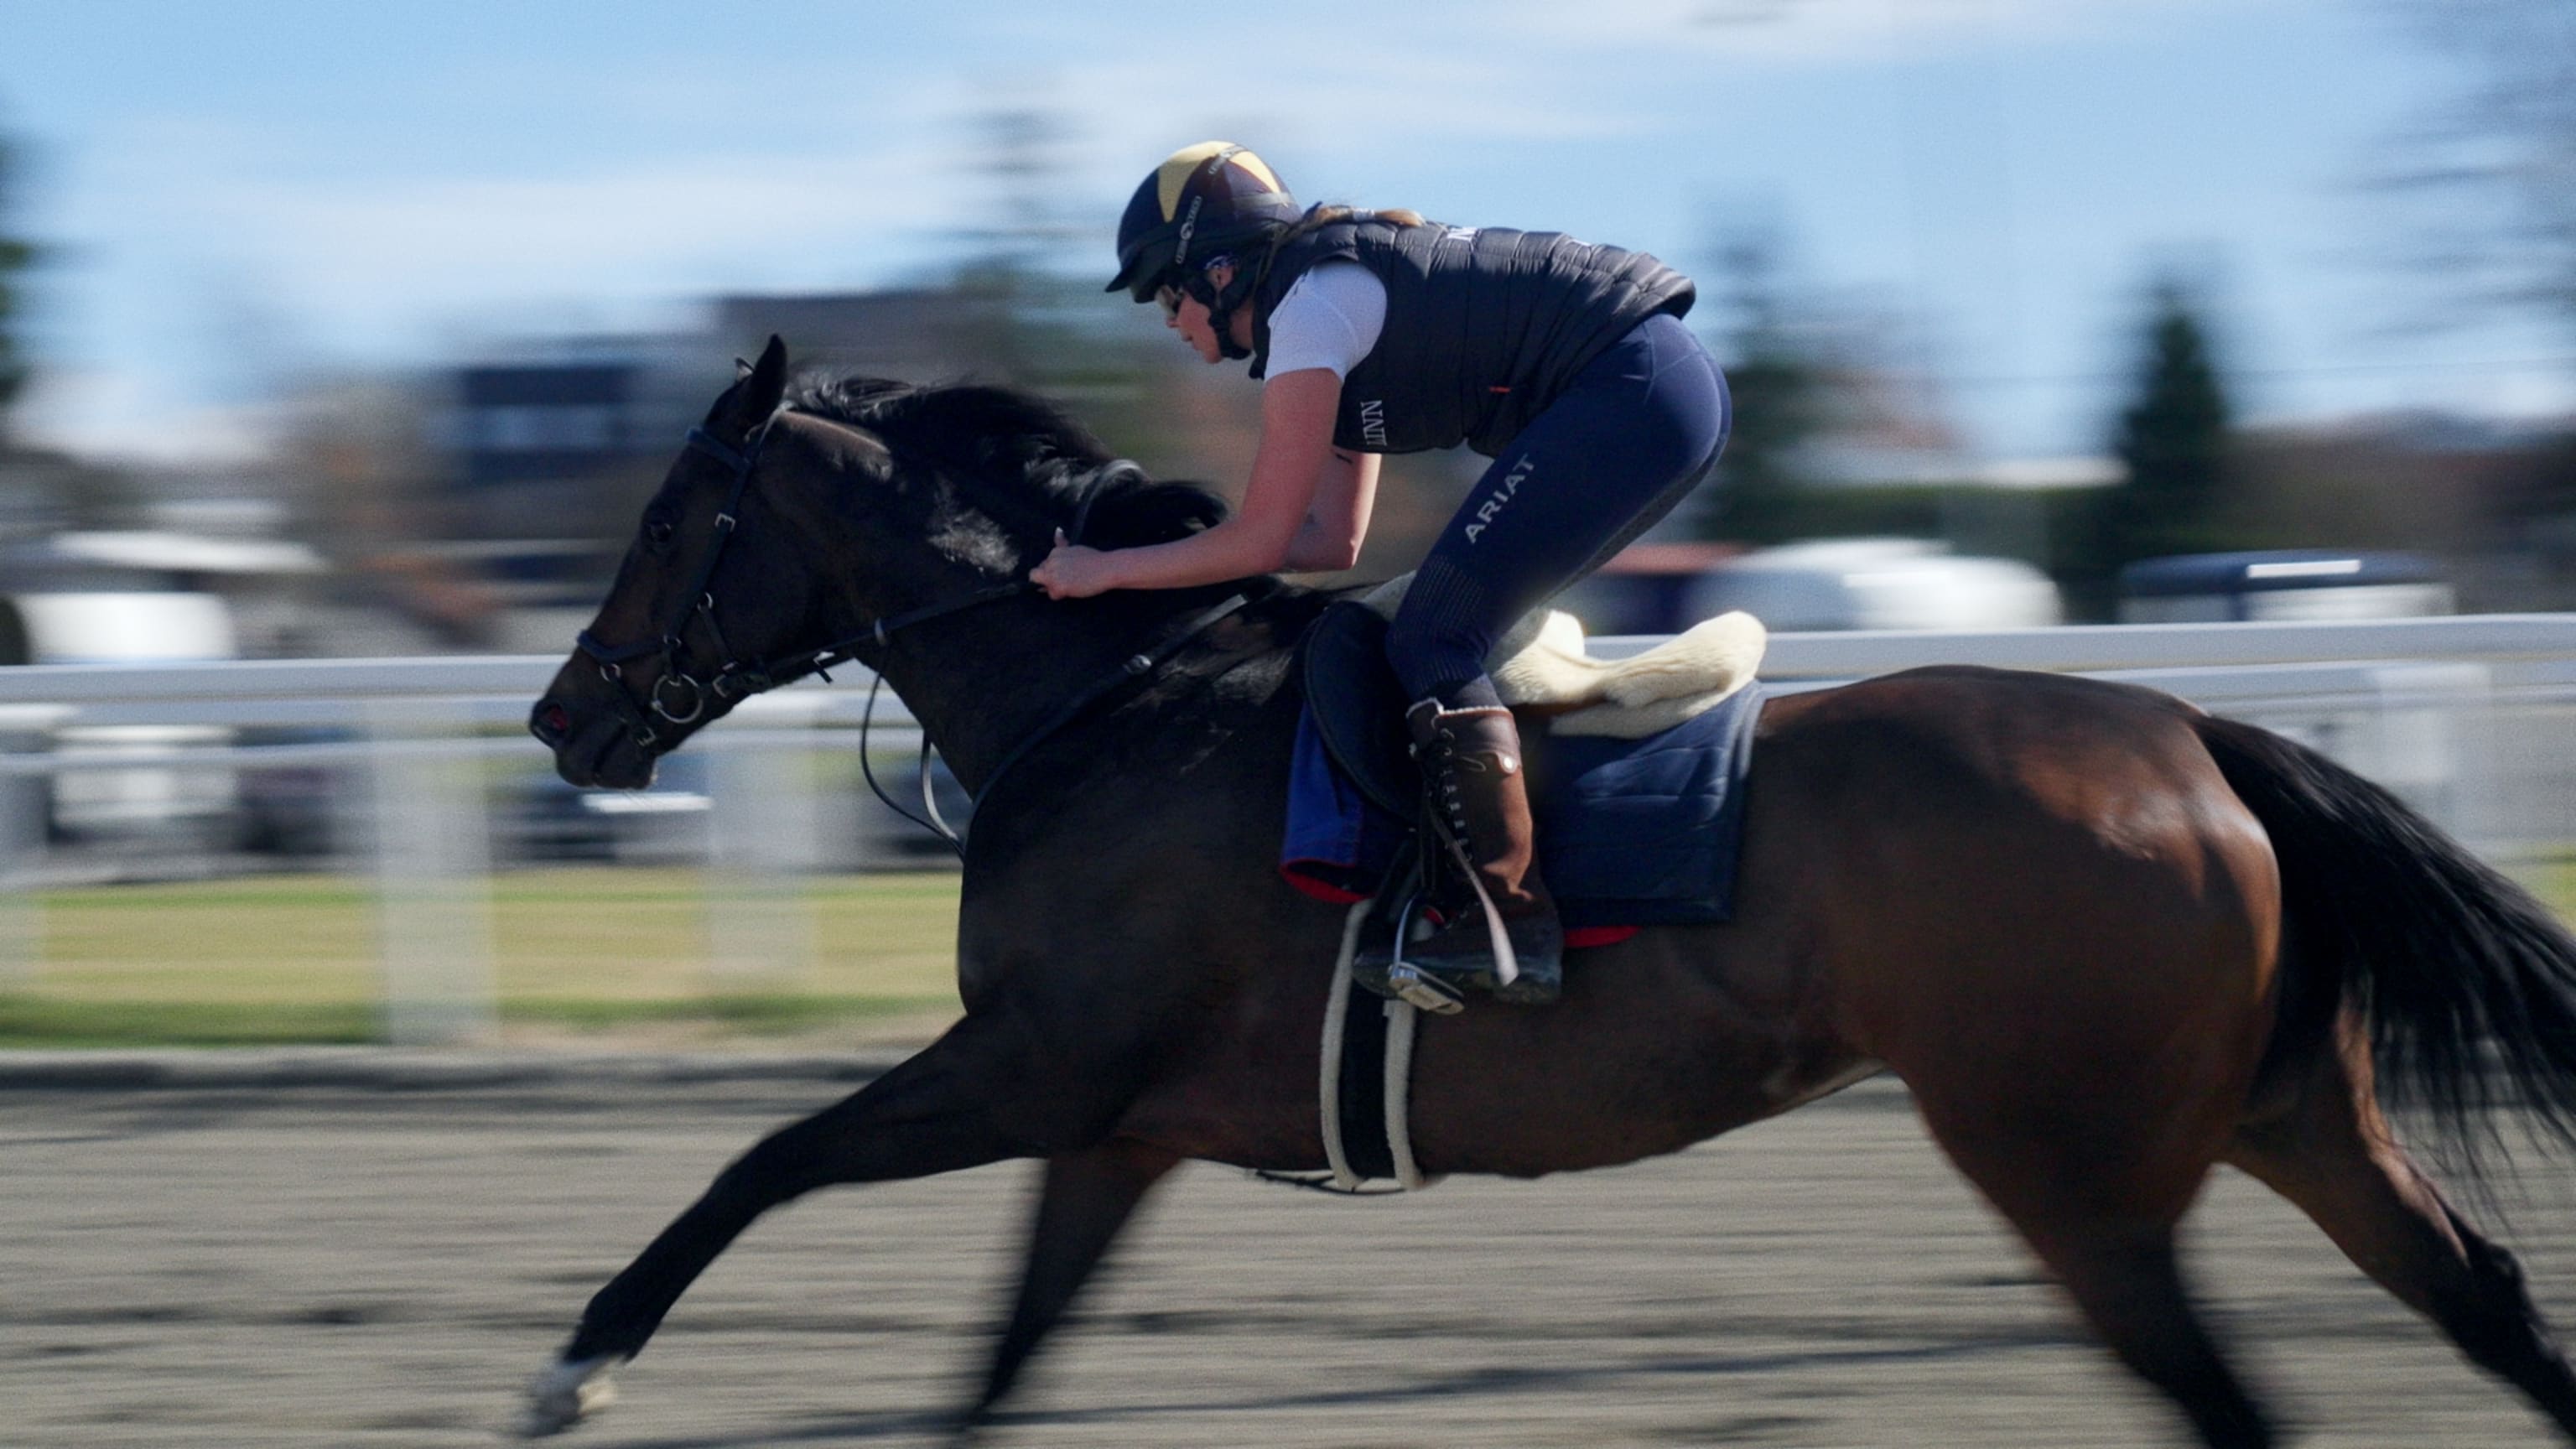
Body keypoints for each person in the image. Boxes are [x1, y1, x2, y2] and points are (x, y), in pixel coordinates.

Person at [1033, 141, 1731, 1007]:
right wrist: (1173, 557)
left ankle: (1506, 924)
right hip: (1654, 389)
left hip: (1634, 391)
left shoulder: (1313, 313)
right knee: (1431, 625)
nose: (1167, 320)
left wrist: (1106, 570)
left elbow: (1259, 542)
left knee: (1436, 633)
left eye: (1163, 293)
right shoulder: (1323, 301)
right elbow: (1328, 542)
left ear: (1218, 272)